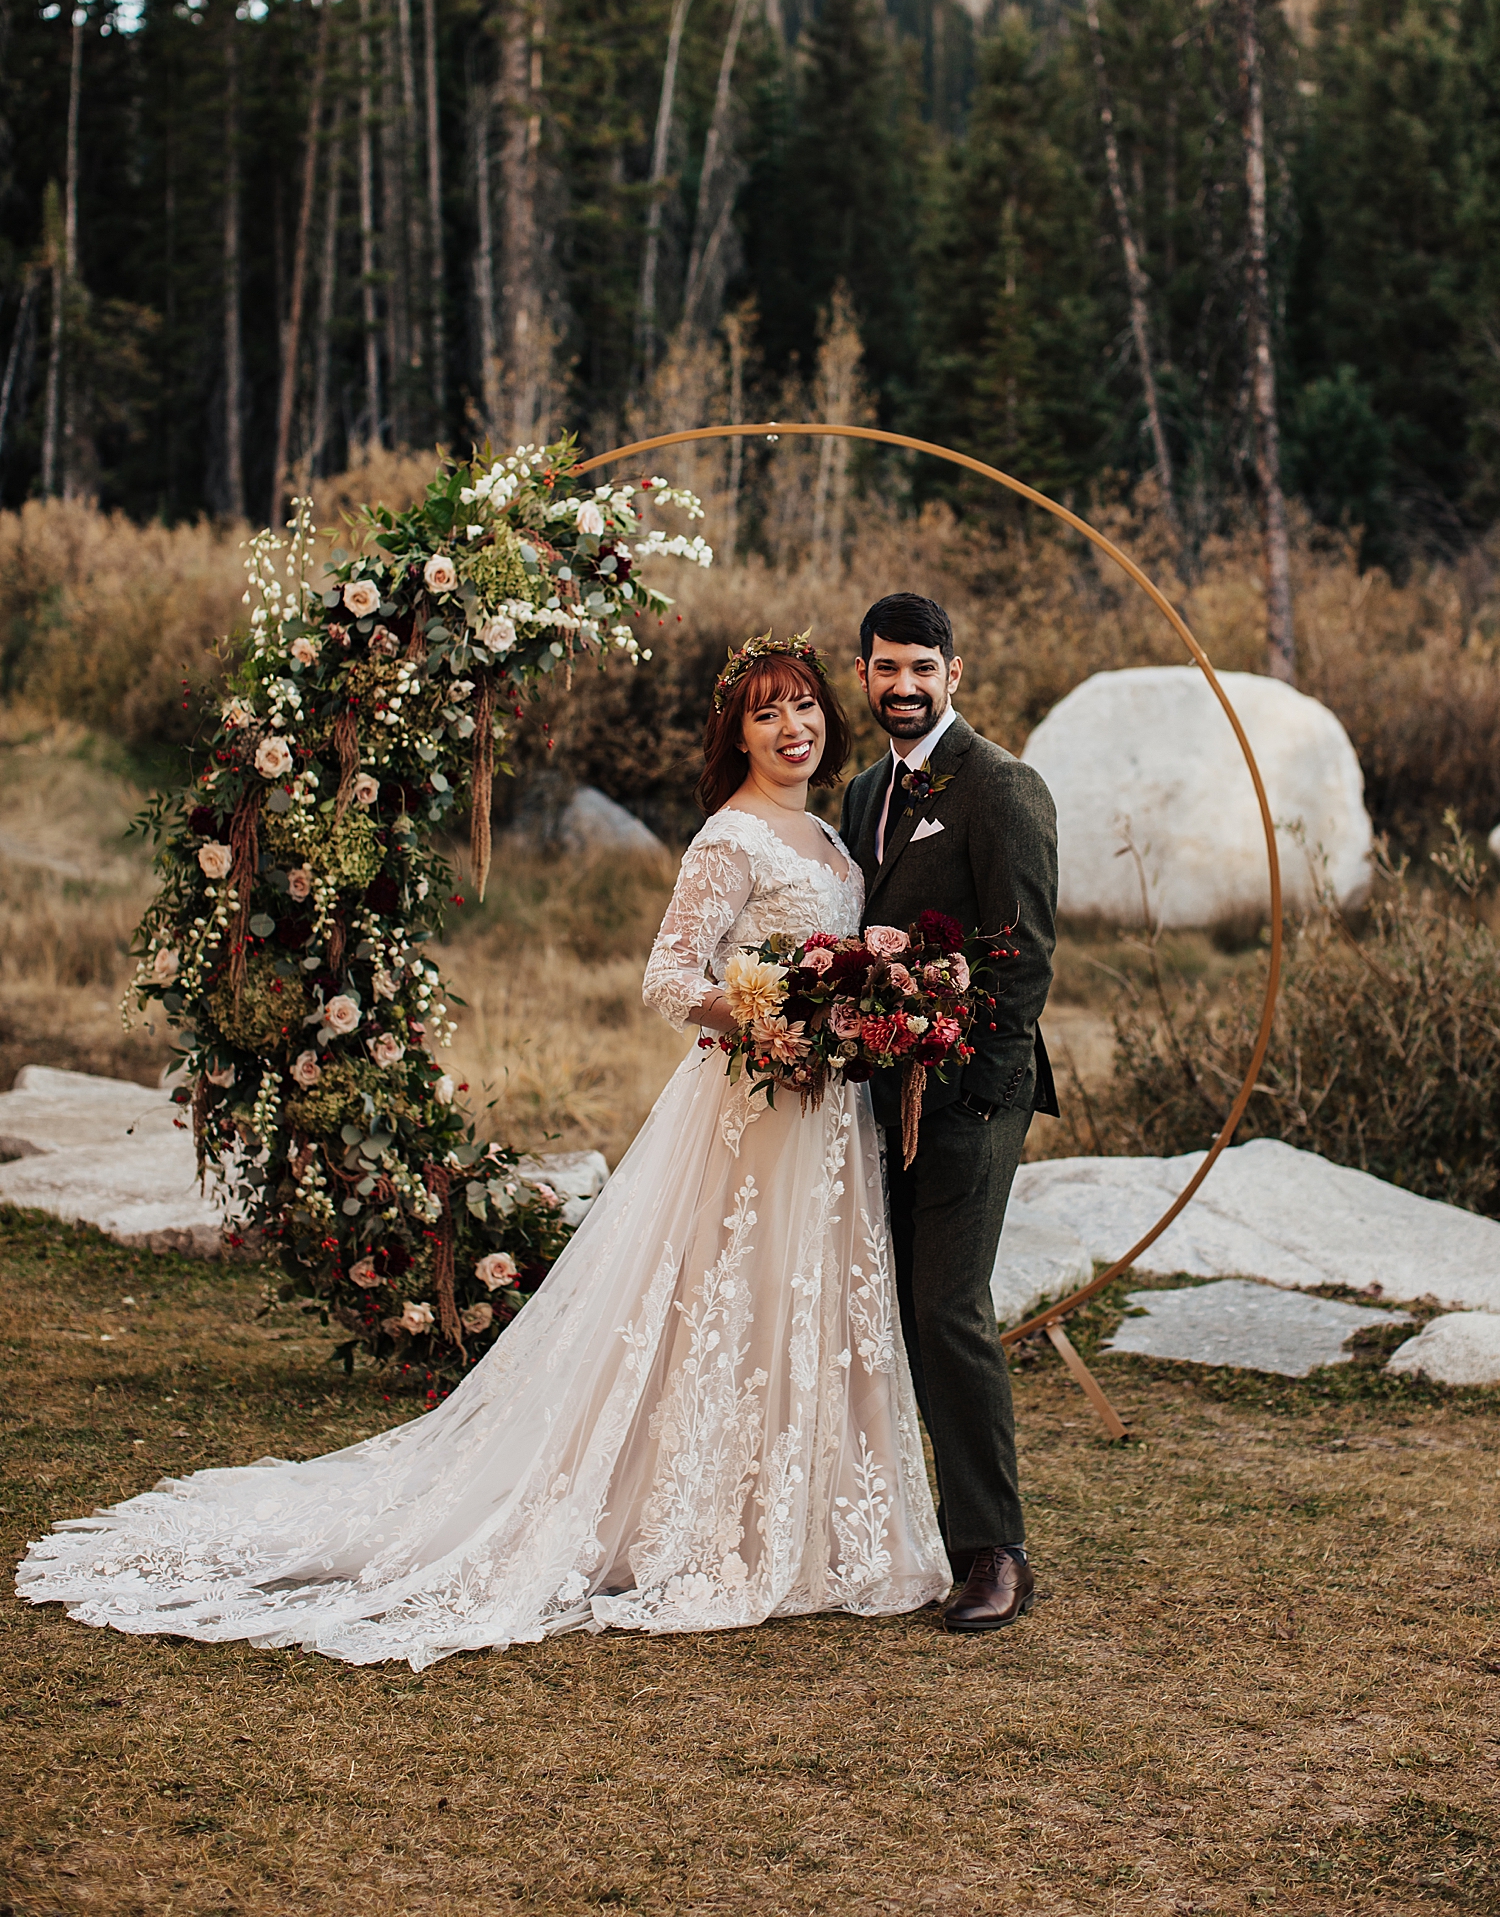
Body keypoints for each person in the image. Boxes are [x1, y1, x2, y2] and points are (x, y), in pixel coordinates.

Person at [17, 635, 949, 1669]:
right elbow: (667, 976)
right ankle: (694, 1520)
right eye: (769, 713)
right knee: (730, 1300)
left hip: (826, 1120)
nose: (795, 729)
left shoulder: (826, 830)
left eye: (808, 707)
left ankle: (812, 1525)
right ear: (735, 733)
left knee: (803, 1301)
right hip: (753, 1106)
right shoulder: (731, 838)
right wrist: (760, 1019)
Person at [840, 593, 1059, 1634]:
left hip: (974, 1091)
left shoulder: (1002, 786)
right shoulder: (860, 792)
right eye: (886, 668)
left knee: (947, 1311)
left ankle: (993, 1551)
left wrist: (969, 1083)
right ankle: (901, 1529)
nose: (903, 686)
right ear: (865, 674)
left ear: (954, 673)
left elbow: (1024, 956)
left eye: (920, 667)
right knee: (885, 1307)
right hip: (877, 1091)